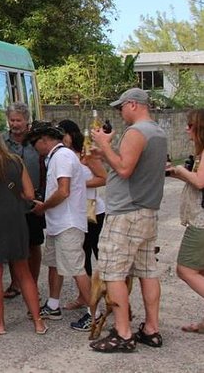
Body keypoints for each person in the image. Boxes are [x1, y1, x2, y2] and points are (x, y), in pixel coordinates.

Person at [89, 87, 167, 353]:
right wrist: (105, 153)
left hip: (126, 213)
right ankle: (151, 329)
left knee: (113, 272)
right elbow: (129, 165)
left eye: (121, 106)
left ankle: (123, 334)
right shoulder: (157, 132)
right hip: (147, 211)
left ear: (133, 104)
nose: (120, 112)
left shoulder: (136, 132)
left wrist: (103, 145)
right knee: (147, 271)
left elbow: (123, 169)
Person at [0, 127, 48, 335]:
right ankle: (38, 322)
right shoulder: (16, 161)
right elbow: (30, 194)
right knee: (24, 272)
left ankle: (0, 324)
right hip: (16, 221)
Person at [28, 122, 92, 330]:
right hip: (58, 222)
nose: (33, 147)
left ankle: (95, 312)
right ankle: (53, 304)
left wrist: (44, 207)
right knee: (54, 263)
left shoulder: (62, 157)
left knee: (76, 268)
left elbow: (63, 191)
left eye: (34, 142)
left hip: (68, 222)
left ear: (44, 140)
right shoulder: (55, 157)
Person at [58, 119, 107, 309]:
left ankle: (111, 297)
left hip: (93, 210)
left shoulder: (86, 154)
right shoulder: (61, 156)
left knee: (99, 254)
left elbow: (104, 179)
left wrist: (78, 184)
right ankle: (84, 297)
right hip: (75, 211)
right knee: (81, 255)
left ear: (72, 134)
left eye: (64, 134)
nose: (61, 138)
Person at [165, 109, 204, 335]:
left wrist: (180, 169)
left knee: (185, 269)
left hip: (201, 222)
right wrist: (177, 173)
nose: (186, 129)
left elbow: (200, 182)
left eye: (190, 126)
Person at [2, 102, 46, 298]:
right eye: (12, 120)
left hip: (33, 201)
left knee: (33, 244)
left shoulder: (37, 142)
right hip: (9, 201)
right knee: (14, 244)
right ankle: (16, 282)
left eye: (18, 120)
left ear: (27, 120)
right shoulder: (2, 141)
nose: (15, 124)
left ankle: (33, 283)